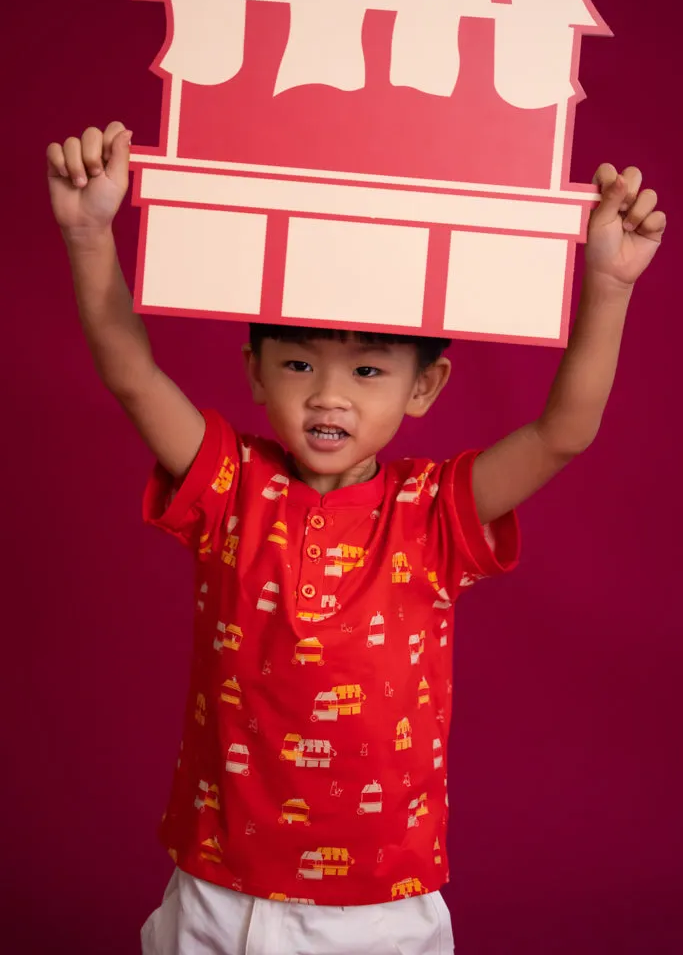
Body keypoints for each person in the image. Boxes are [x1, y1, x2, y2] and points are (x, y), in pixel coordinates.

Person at [47, 122, 665, 955]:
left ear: (425, 386)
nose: (328, 396)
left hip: (378, 902)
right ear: (254, 370)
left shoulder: (435, 510)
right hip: (217, 888)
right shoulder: (230, 483)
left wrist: (609, 284)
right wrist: (89, 233)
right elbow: (130, 372)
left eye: (367, 371)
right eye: (298, 365)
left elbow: (563, 432)